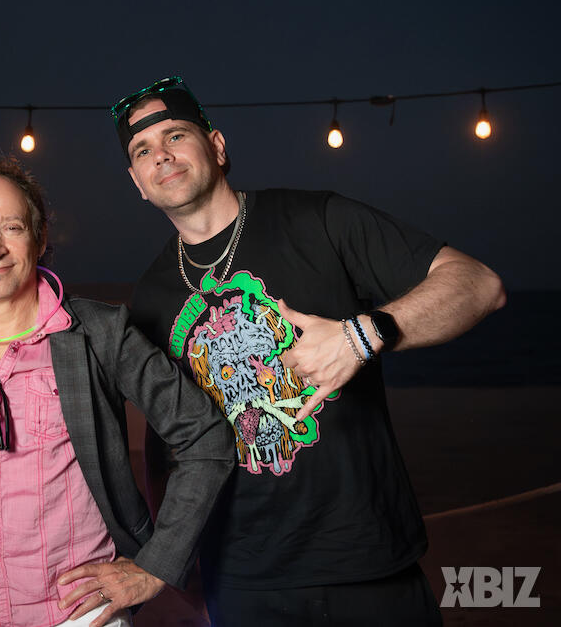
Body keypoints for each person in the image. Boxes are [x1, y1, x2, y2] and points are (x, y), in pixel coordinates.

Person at [112, 76, 506, 626]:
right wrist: (179, 563)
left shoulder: (316, 220)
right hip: (240, 577)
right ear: (137, 182)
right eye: (143, 150)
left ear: (217, 146)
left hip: (366, 562)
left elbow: (479, 284)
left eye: (176, 135)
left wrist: (363, 335)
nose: (161, 155)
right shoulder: (152, 297)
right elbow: (166, 449)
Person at [0, 155, 236, 627]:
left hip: (76, 612)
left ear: (40, 238)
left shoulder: (100, 333)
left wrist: (155, 566)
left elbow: (205, 435)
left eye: (12, 228)